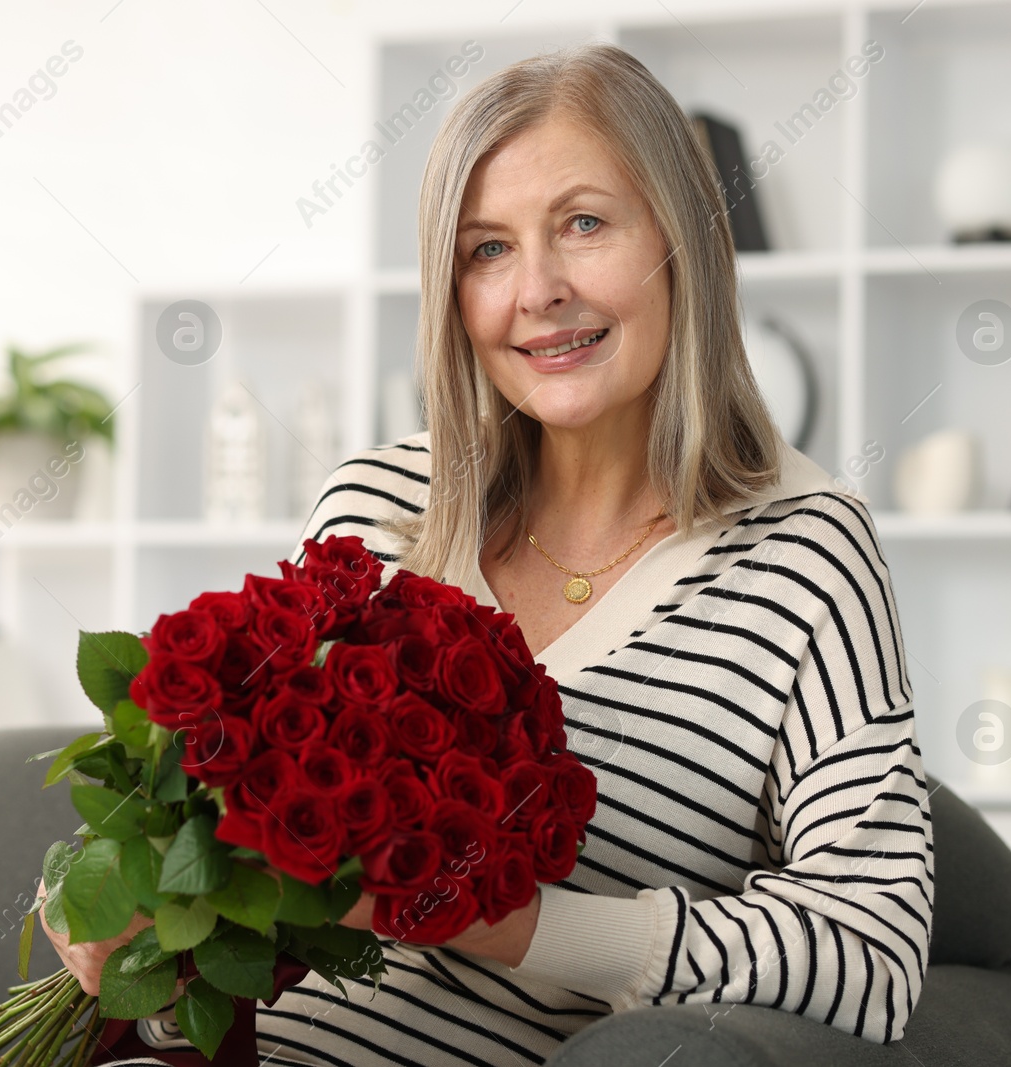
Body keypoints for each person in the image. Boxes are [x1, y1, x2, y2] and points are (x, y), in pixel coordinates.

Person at [46, 40, 933, 1065]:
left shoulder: (803, 549)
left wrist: (510, 920)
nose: (538, 290)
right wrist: (117, 895)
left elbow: (871, 950)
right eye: (487, 249)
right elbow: (237, 860)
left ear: (681, 240)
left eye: (584, 225)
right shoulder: (372, 505)